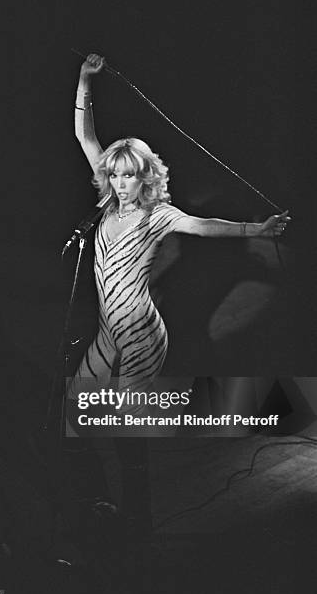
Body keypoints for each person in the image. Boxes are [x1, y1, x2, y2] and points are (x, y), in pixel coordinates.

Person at [69, 52, 291, 426]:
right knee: (78, 404)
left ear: (146, 177)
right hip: (110, 332)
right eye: (117, 176)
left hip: (142, 335)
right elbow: (84, 135)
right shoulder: (110, 205)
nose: (122, 184)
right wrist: (85, 80)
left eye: (130, 176)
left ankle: (140, 478)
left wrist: (257, 229)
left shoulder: (158, 216)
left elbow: (204, 226)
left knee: (127, 422)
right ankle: (92, 483)